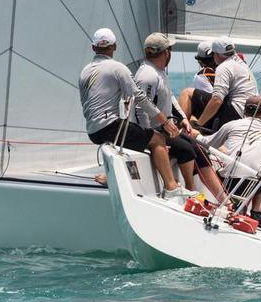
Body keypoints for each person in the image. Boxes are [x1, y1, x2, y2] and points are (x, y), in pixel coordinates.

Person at [78, 28, 196, 198]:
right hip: (108, 126)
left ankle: (112, 175)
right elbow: (139, 97)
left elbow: (85, 103)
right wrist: (164, 122)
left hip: (92, 130)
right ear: (115, 46)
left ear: (93, 48)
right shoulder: (118, 68)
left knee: (137, 136)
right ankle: (171, 187)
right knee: (157, 139)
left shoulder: (85, 71)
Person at [193, 96, 261, 223]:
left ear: (244, 110)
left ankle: (224, 201)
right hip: (253, 185)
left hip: (230, 182)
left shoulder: (232, 125)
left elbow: (208, 143)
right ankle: (255, 211)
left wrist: (196, 134)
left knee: (200, 154)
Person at [133, 32, 199, 191]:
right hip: (154, 130)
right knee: (186, 149)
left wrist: (183, 118)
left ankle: (190, 187)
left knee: (193, 143)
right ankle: (189, 189)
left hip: (163, 127)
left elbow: (170, 97)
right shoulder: (148, 75)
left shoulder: (159, 71)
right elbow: (141, 108)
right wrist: (149, 137)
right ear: (165, 52)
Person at [193, 37, 259, 131]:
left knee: (187, 94)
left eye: (213, 54)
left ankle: (187, 134)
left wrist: (198, 125)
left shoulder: (223, 67)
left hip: (236, 113)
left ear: (218, 55)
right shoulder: (242, 64)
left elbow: (217, 100)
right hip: (249, 114)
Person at [178, 40, 215, 120]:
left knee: (186, 93)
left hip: (216, 114)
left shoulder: (201, 76)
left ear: (200, 60)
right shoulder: (224, 70)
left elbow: (209, 103)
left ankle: (182, 128)